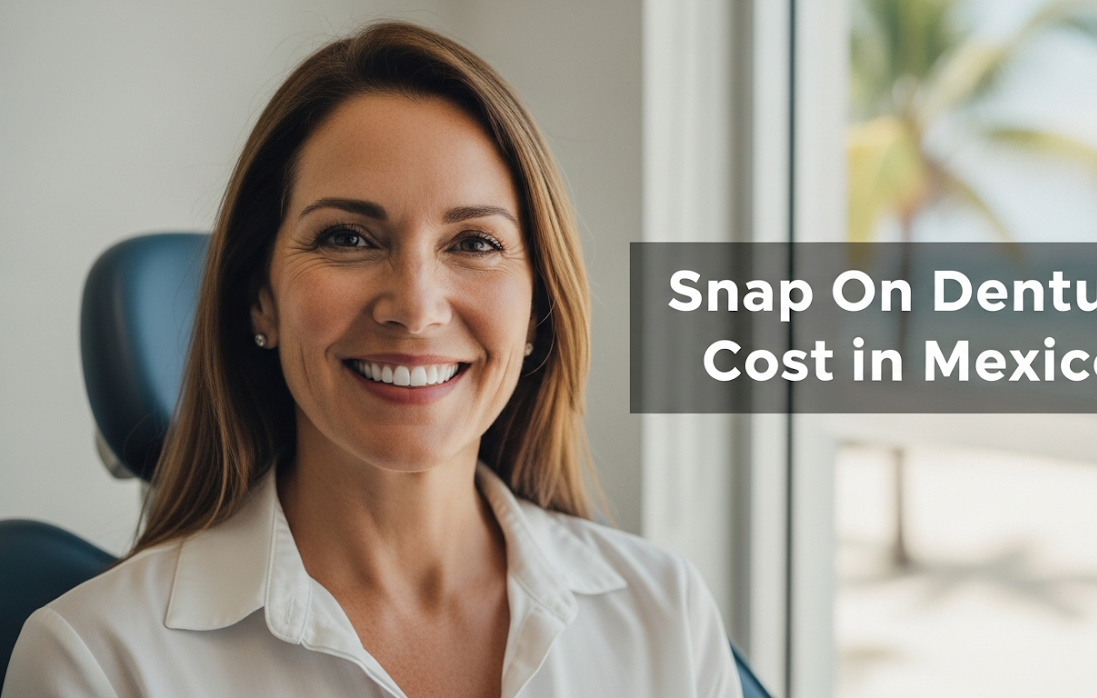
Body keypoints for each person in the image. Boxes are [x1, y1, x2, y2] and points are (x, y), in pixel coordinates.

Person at [2, 21, 741, 698]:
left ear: (535, 312)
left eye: (474, 243)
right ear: (261, 299)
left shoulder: (663, 617)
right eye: (348, 238)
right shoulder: (95, 662)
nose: (415, 307)